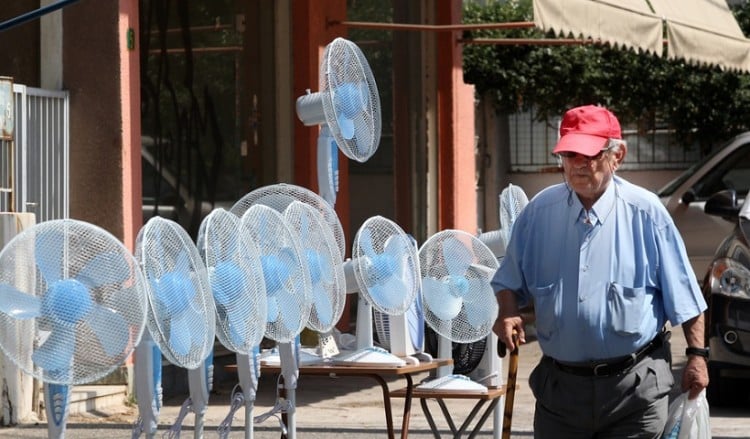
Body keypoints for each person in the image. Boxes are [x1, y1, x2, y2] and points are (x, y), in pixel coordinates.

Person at [492, 104, 709, 438]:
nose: (579, 164)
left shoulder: (646, 213)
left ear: (617, 155)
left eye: (589, 154)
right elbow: (508, 280)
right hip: (560, 394)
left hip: (634, 390)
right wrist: (506, 311)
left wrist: (697, 357)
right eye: (570, 154)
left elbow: (686, 297)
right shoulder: (538, 214)